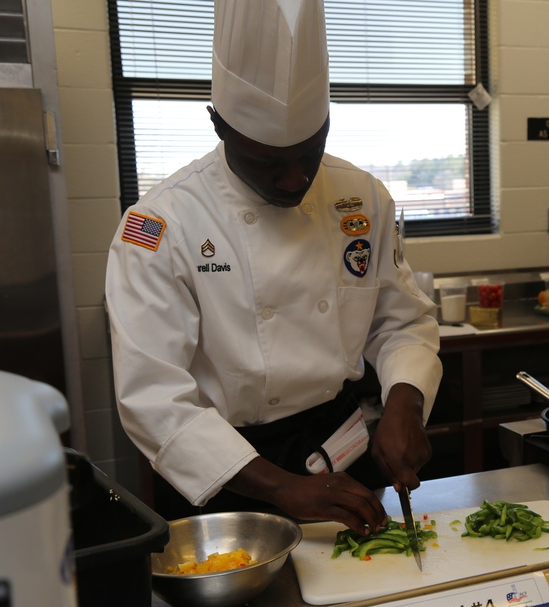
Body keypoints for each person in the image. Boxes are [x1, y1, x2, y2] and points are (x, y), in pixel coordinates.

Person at [105, 0, 442, 534]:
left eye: (310, 153)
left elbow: (399, 323)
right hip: (228, 475)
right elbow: (152, 397)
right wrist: (282, 487)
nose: (294, 179)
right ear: (218, 125)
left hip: (338, 451)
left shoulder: (363, 198)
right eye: (267, 162)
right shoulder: (162, 224)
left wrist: (405, 397)